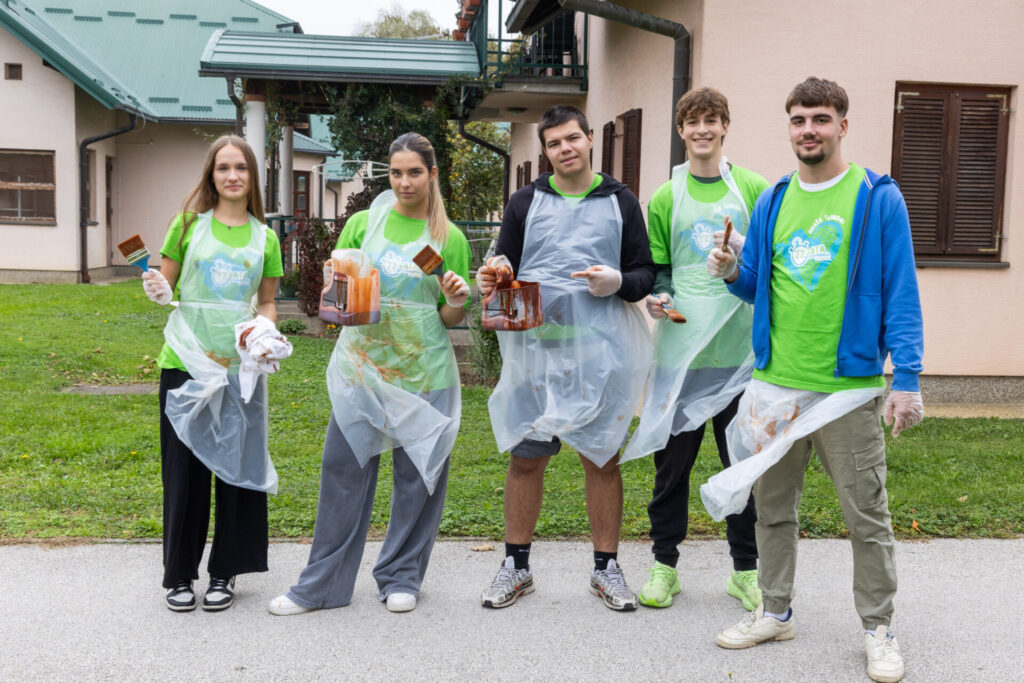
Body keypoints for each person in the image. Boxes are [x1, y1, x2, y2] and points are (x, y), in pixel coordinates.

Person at [707, 77, 924, 683]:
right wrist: (730, 271)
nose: (809, 130)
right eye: (799, 119)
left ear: (843, 126)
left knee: (866, 517)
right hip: (776, 386)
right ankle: (775, 611)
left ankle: (878, 628)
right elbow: (759, 284)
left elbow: (902, 292)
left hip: (848, 391)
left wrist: (905, 378)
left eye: (821, 119)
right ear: (789, 127)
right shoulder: (774, 199)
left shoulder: (877, 197)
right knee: (773, 512)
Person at [268, 132, 471, 616]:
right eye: (396, 172)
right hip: (364, 370)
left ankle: (401, 575)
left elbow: (449, 316)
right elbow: (339, 298)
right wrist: (336, 299)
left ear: (432, 174)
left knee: (418, 478)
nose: (404, 182)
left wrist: (460, 301)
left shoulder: (450, 239)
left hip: (424, 371)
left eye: (414, 172)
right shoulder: (363, 224)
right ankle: (321, 586)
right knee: (342, 471)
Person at [477, 105, 655, 611]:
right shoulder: (526, 200)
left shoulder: (620, 200)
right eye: (554, 143)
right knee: (526, 459)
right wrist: (497, 271)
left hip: (601, 353)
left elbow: (643, 272)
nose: (565, 149)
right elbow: (504, 264)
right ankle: (516, 565)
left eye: (572, 138)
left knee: (601, 457)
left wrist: (617, 282)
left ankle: (607, 569)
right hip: (538, 351)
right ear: (546, 150)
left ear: (590, 139)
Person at [621, 87, 769, 611]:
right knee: (672, 467)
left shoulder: (753, 188)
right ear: (681, 130)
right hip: (681, 353)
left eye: (712, 120)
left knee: (742, 465)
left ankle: (746, 572)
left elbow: (767, 266)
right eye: (693, 122)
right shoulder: (665, 196)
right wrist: (660, 296)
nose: (702, 129)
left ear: (726, 126)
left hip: (738, 353)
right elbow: (658, 267)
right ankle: (664, 566)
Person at [141, 135, 285, 612]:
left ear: (251, 176)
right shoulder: (186, 226)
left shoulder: (264, 237)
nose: (232, 176)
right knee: (184, 475)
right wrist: (156, 288)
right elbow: (165, 282)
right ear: (211, 174)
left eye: (240, 168)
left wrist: (264, 333)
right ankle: (180, 576)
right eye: (223, 167)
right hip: (184, 363)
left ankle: (225, 572)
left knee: (236, 471)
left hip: (238, 370)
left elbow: (266, 300)